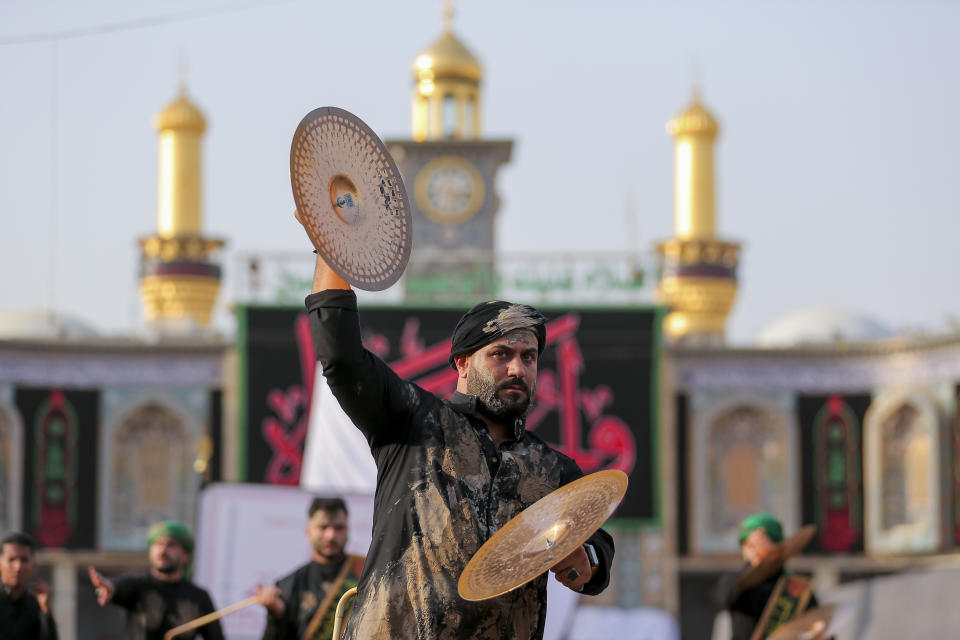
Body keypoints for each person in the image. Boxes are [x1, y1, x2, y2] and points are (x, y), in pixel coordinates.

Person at [302, 239, 615, 640]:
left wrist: (585, 557)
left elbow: (597, 544)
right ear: (463, 362)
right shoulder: (414, 420)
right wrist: (332, 243)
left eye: (529, 357)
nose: (518, 368)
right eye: (501, 355)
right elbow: (343, 359)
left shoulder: (552, 469)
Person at [88, 521, 223, 640]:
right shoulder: (139, 586)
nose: (163, 550)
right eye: (158, 544)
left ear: (185, 556)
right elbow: (118, 587)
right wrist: (110, 587)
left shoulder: (199, 597)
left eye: (171, 545)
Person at [256, 496, 363, 640]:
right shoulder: (287, 586)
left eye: (338, 528)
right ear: (308, 532)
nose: (331, 535)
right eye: (323, 527)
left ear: (347, 530)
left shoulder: (366, 573)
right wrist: (277, 615)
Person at [716, 513, 822, 640]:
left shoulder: (796, 587)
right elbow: (725, 600)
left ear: (779, 547)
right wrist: (756, 568)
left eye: (762, 544)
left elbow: (817, 623)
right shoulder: (735, 582)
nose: (754, 550)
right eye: (749, 545)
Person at [0, 531, 58, 640]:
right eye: (11, 559)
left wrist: (46, 612)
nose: (18, 566)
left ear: (33, 565)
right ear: (0, 563)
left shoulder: (36, 606)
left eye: (24, 560)